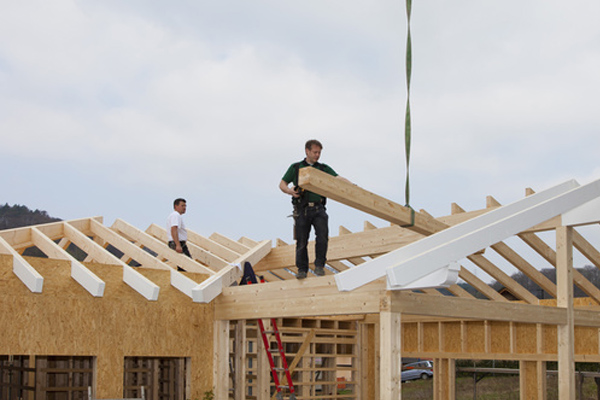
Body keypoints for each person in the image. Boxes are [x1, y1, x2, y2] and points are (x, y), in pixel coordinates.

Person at [279, 139, 351, 279]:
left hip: (319, 209)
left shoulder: (323, 169)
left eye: (319, 152)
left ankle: (319, 266)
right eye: (315, 152)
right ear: (307, 151)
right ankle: (302, 269)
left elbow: (338, 178)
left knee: (322, 237)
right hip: (302, 210)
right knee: (301, 241)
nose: (317, 155)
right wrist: (289, 191)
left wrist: (353, 186)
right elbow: (282, 183)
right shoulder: (295, 167)